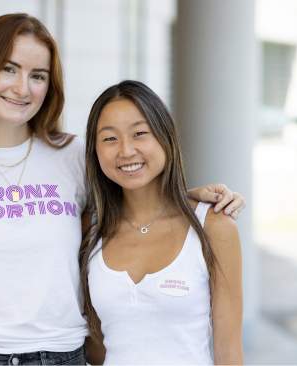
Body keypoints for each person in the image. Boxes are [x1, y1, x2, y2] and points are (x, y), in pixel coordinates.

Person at [0, 14, 246, 365]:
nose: (22, 88)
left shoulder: (75, 157)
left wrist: (187, 198)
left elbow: (135, 190)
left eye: (37, 76)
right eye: (8, 69)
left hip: (61, 356)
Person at [80, 80, 243, 365]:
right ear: (94, 150)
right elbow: (95, 349)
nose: (126, 150)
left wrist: (186, 198)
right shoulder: (89, 230)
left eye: (140, 133)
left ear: (164, 136)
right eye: (109, 138)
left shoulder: (213, 226)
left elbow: (228, 352)